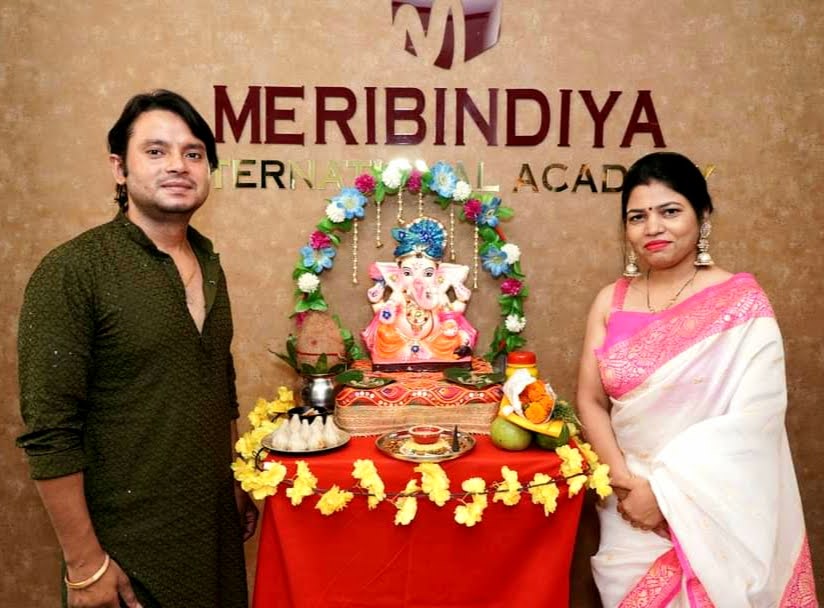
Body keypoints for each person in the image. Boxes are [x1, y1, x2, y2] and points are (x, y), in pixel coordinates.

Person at [16, 90, 257, 608]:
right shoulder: (74, 271)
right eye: (155, 151)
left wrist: (236, 480)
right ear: (119, 169)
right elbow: (50, 432)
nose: (178, 165)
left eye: (193, 153)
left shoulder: (209, 263)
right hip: (125, 555)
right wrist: (86, 566)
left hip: (212, 538)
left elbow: (220, 384)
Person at [576, 152, 817, 606]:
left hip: (714, 507)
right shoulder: (610, 301)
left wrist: (665, 495)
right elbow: (589, 399)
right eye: (637, 217)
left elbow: (756, 421)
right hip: (628, 508)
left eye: (670, 211)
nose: (653, 228)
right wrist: (625, 484)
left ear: (702, 216)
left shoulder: (741, 303)